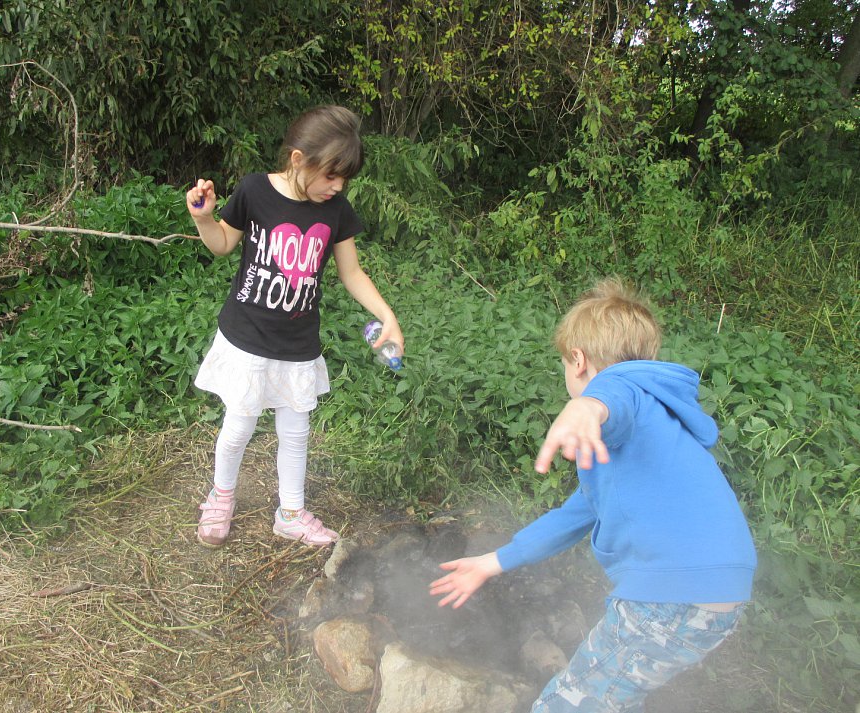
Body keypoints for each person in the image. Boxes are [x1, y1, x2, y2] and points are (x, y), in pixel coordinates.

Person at [429, 277, 757, 712]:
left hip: (671, 595)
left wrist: (586, 406)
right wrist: (493, 562)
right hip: (716, 594)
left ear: (578, 359)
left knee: (568, 704)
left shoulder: (626, 398)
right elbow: (573, 515)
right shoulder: (653, 425)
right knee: (611, 697)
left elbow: (613, 395)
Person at [186, 105, 403, 548]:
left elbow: (352, 273)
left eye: (345, 179)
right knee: (239, 427)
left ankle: (290, 513)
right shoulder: (254, 190)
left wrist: (389, 316)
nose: (337, 186)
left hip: (298, 342)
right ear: (298, 159)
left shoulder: (335, 210)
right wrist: (204, 218)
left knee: (296, 433)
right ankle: (221, 498)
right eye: (331, 175)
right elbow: (223, 244)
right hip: (247, 337)